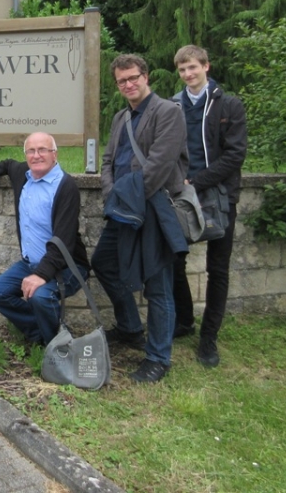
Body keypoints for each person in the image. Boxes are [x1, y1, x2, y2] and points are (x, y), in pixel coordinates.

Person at [91, 54, 189, 382]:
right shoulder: (121, 117)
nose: (129, 84)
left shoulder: (168, 112)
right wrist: (112, 196)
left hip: (152, 209)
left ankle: (158, 358)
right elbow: (107, 162)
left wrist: (126, 199)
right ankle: (131, 327)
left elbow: (160, 166)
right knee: (104, 263)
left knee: (158, 286)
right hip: (122, 210)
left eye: (133, 77)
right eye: (122, 81)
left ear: (145, 76)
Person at [171, 45, 247, 367]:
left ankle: (209, 339)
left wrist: (197, 182)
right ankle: (184, 321)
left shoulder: (228, 105)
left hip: (219, 197)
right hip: (180, 196)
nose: (188, 74)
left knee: (217, 269)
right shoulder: (172, 106)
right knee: (174, 259)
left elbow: (234, 155)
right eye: (182, 70)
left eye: (193, 67)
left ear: (206, 66)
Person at [0, 133, 89, 345]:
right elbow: (7, 164)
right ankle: (43, 333)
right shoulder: (23, 174)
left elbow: (63, 241)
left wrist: (41, 276)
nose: (36, 155)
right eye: (31, 151)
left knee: (40, 296)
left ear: (55, 154)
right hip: (31, 264)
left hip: (68, 266)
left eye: (43, 150)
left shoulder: (65, 186)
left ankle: (57, 350)